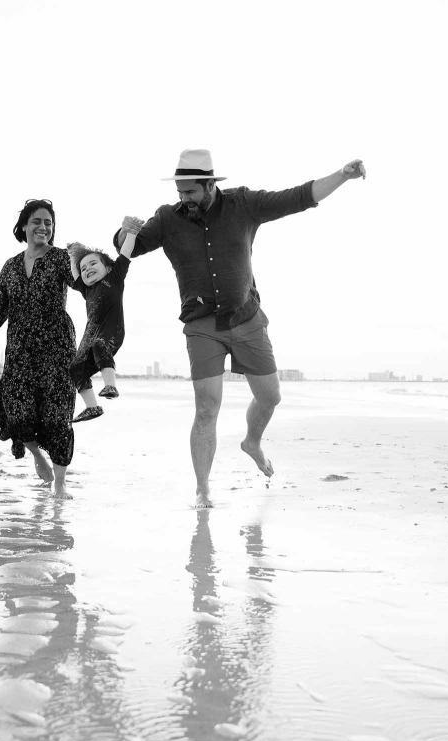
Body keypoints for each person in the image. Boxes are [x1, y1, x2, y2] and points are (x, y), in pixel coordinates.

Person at [117, 149, 366, 508]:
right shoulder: (168, 219)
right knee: (207, 407)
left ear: (209, 185)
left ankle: (252, 442)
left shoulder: (243, 204)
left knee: (270, 397)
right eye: (179, 192)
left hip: (246, 318)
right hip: (201, 324)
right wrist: (123, 231)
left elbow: (298, 197)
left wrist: (342, 175)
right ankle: (203, 488)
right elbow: (130, 248)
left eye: (190, 192)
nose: (183, 199)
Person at [0, 199, 77, 498]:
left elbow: (85, 281)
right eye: (37, 221)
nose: (43, 227)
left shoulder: (60, 259)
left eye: (48, 223)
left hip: (57, 349)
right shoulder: (12, 266)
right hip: (20, 349)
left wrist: (94, 263)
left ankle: (60, 482)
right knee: (18, 412)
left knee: (57, 416)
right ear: (24, 227)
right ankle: (38, 456)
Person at [66, 230, 138, 422]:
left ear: (107, 268)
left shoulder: (114, 279)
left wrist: (131, 232)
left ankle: (110, 385)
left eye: (93, 263)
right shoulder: (86, 289)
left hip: (112, 332)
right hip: (89, 335)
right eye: (84, 268)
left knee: (100, 344)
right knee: (75, 367)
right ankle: (92, 407)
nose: (87, 268)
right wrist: (74, 255)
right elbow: (75, 273)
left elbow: (125, 254)